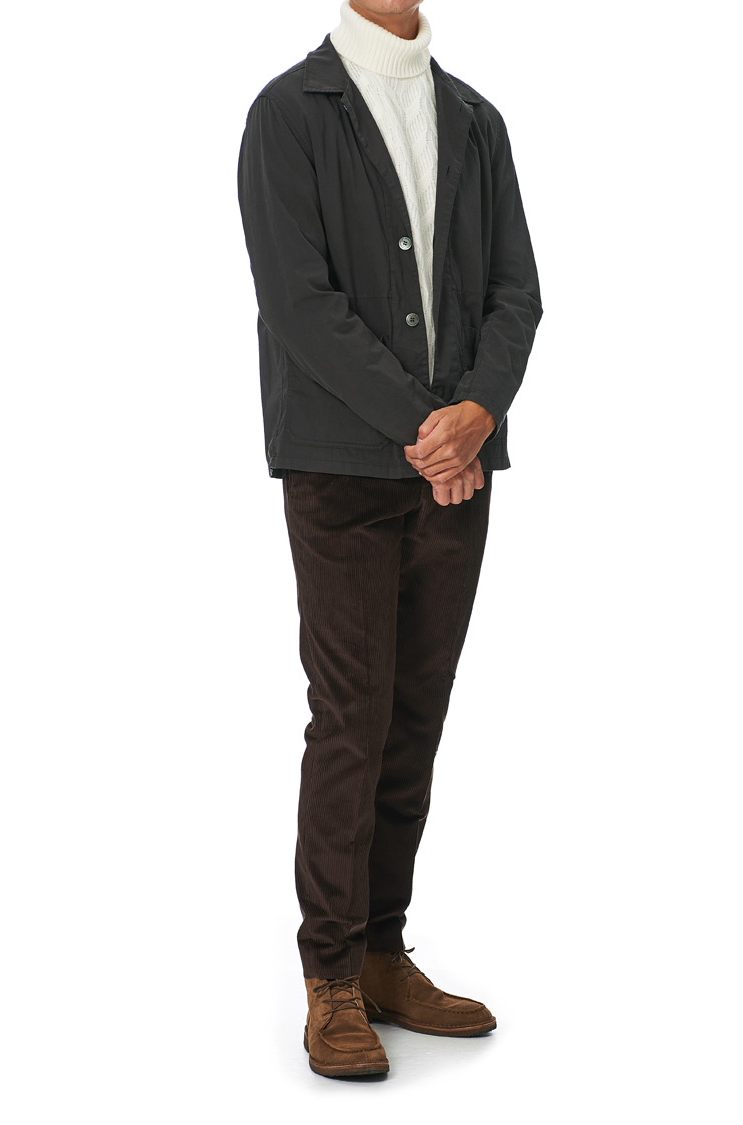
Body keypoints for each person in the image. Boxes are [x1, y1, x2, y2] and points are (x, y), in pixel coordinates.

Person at [236, 0, 542, 1078]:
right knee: (352, 717)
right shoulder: (290, 112)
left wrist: (479, 411)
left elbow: (515, 292)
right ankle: (328, 976)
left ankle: (379, 950)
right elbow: (299, 303)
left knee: (414, 716)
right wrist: (430, 428)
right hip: (343, 468)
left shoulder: (476, 119)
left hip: (458, 471)